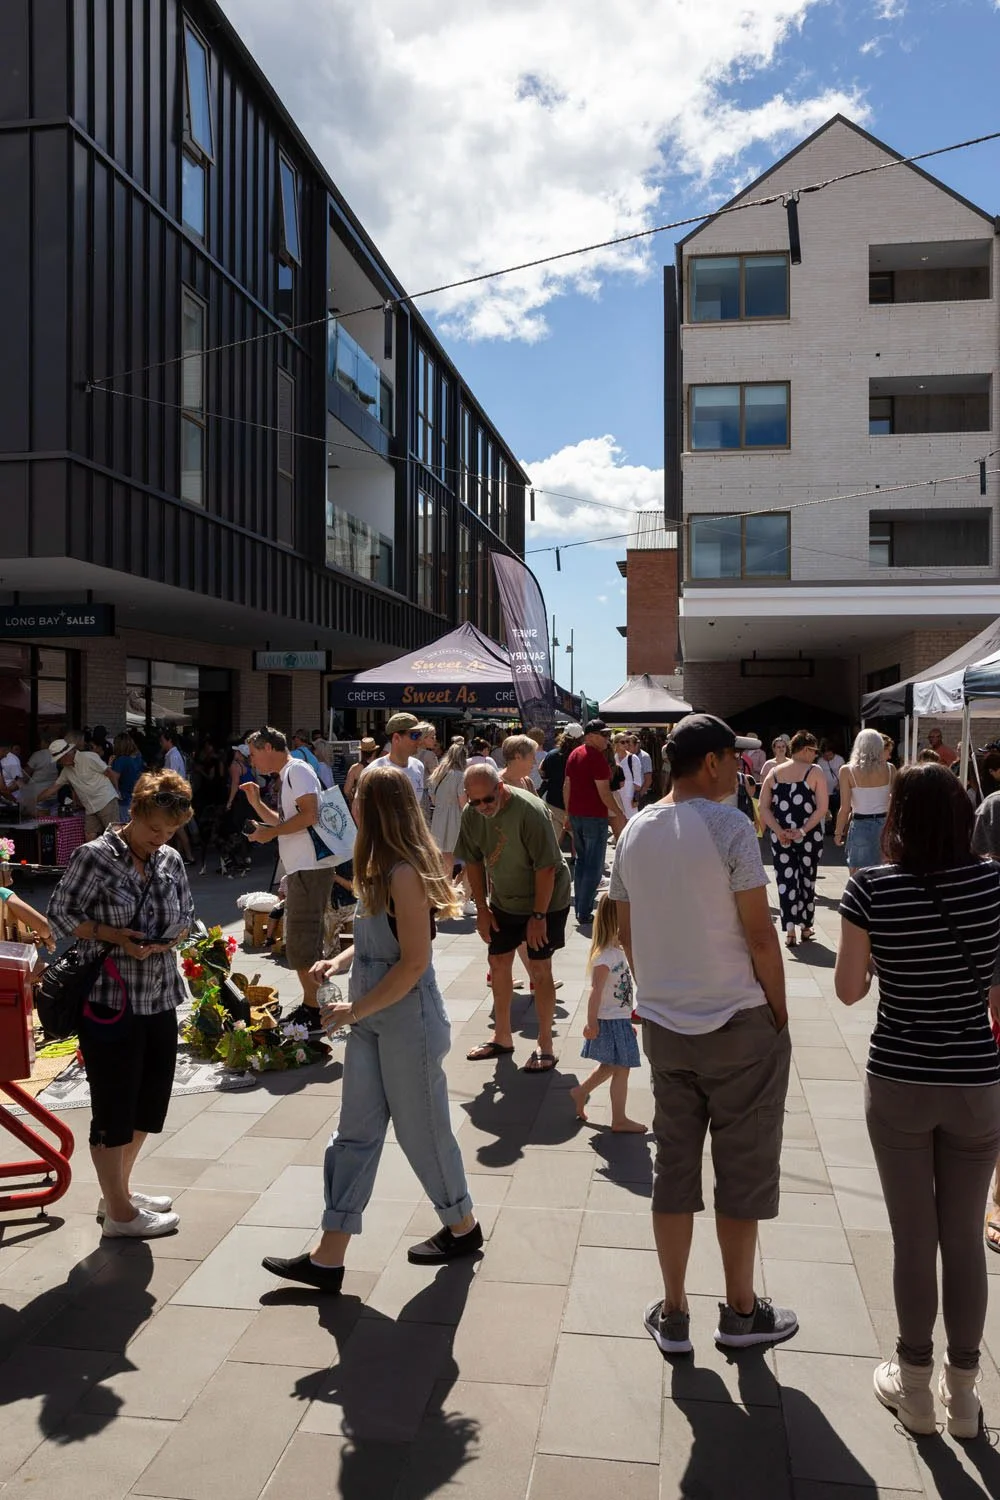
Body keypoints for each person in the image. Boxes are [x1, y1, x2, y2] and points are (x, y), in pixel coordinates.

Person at [610, 713, 796, 1355]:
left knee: (675, 1167)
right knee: (741, 1170)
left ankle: (674, 1309)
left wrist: (655, 988)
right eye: (731, 759)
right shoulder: (730, 826)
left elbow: (624, 929)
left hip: (666, 1024)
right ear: (713, 762)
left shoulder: (634, 829)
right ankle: (741, 1312)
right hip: (737, 1019)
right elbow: (760, 931)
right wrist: (779, 1008)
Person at [261, 767, 481, 1291]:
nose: (352, 804)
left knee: (421, 1132)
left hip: (407, 1022)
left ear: (380, 807)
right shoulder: (380, 865)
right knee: (354, 1133)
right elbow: (379, 940)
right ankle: (328, 1255)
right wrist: (337, 961)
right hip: (372, 1016)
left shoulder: (404, 871)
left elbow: (412, 963)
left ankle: (462, 1224)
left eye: (359, 796)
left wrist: (352, 1012)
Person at [835, 763, 1000, 1438]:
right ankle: (964, 1396)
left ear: (895, 820)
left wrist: (880, 962)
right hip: (974, 1080)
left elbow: (848, 990)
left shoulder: (870, 888)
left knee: (913, 1237)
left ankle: (914, 1386)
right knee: (962, 1236)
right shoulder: (995, 882)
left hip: (900, 1075)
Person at [46, 769, 196, 1239]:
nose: (162, 839)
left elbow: (189, 915)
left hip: (159, 996)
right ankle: (119, 1216)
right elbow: (61, 914)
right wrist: (113, 935)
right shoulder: (96, 856)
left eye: (171, 831)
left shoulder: (169, 859)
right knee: (114, 1106)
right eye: (155, 829)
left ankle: (118, 1192)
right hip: (109, 1001)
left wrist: (169, 939)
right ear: (135, 813)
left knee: (148, 1104)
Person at [458, 760, 571, 1072]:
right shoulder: (472, 814)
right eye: (474, 800)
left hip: (546, 898)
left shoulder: (529, 810)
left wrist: (538, 915)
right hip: (506, 899)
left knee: (539, 967)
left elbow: (547, 867)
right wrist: (481, 908)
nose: (482, 806)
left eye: (488, 799)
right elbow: (473, 861)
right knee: (498, 961)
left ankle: (545, 1044)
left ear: (501, 788)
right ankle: (503, 1037)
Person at [243, 726, 335, 1032]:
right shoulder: (291, 773)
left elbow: (310, 816)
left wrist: (270, 833)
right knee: (300, 943)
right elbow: (286, 823)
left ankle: (316, 1012)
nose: (252, 761)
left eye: (254, 754)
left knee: (302, 943)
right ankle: (313, 1006)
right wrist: (258, 806)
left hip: (309, 868)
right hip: (303, 868)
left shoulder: (297, 770)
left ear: (269, 747)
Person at [569, 892, 645, 1133]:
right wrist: (591, 1023)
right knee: (620, 1067)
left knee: (615, 1066)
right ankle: (618, 1118)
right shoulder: (605, 957)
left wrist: (625, 1019)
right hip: (609, 1021)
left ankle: (582, 1092)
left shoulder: (617, 952)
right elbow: (595, 991)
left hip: (618, 1019)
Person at [759, 731, 828, 948]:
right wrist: (802, 830)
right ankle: (805, 926)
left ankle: (790, 931)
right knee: (807, 880)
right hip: (808, 836)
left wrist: (779, 830)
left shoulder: (774, 772)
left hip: (781, 838)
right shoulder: (814, 771)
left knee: (786, 881)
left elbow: (763, 807)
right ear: (806, 750)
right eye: (814, 751)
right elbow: (822, 808)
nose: (815, 756)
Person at [564, 719, 624, 926]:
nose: (607, 739)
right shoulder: (596, 758)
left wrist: (568, 814)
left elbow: (567, 786)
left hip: (577, 816)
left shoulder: (574, 754)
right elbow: (604, 793)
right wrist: (619, 813)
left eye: (608, 735)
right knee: (594, 866)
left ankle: (581, 906)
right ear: (590, 736)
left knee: (581, 863)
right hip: (593, 817)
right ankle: (584, 910)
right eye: (603, 735)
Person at [835, 728, 894, 876]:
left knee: (858, 874)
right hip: (885, 824)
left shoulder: (847, 771)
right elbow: (895, 801)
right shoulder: (890, 769)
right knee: (885, 871)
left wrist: (838, 832)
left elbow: (845, 808)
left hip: (861, 824)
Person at [38, 737, 120, 840]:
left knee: (114, 835)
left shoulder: (89, 757)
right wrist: (35, 800)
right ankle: (93, 856)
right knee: (89, 836)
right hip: (90, 807)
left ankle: (121, 856)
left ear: (67, 755)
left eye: (59, 760)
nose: (59, 763)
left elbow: (110, 773)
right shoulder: (66, 771)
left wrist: (116, 791)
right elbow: (53, 788)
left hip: (106, 801)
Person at [429, 740, 468, 890]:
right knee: (452, 855)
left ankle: (442, 888)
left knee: (443, 855)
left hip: (438, 815)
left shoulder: (438, 772)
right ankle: (448, 889)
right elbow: (462, 802)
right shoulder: (460, 776)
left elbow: (432, 798)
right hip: (454, 816)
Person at [539, 724, 583, 844]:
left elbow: (544, 774)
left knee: (553, 842)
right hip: (577, 804)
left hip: (554, 802)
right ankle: (577, 860)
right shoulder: (583, 756)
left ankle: (554, 862)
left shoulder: (552, 754)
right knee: (580, 842)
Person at [369, 713, 426, 800]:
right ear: (396, 738)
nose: (420, 740)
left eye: (420, 734)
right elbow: (359, 810)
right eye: (415, 735)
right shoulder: (373, 770)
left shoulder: (418, 766)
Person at [159, 727, 194, 862]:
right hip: (178, 795)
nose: (161, 744)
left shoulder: (173, 755)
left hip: (175, 796)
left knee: (177, 828)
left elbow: (172, 777)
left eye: (162, 741)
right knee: (178, 828)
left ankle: (189, 856)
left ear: (169, 740)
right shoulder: (174, 754)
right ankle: (180, 855)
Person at [111, 733, 145, 824]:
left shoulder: (120, 760)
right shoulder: (138, 757)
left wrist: (117, 792)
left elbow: (114, 777)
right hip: (136, 794)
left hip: (124, 797)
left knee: (123, 825)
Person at [18, 744, 58, 817]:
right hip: (54, 794)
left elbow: (26, 774)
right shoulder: (59, 754)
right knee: (52, 819)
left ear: (43, 742)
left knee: (37, 821)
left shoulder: (38, 755)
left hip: (37, 794)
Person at [343, 738, 378, 813]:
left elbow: (346, 790)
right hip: (377, 806)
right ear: (375, 752)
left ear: (361, 752)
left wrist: (352, 800)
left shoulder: (355, 768)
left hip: (360, 807)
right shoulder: (381, 767)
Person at [612, 733, 641, 821]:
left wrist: (635, 799)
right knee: (618, 822)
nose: (626, 744)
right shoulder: (613, 759)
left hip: (629, 797)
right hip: (615, 796)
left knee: (631, 821)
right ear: (616, 744)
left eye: (627, 742)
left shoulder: (633, 758)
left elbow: (638, 783)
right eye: (623, 742)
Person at [817, 741, 844, 827]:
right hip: (825, 791)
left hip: (837, 790)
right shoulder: (820, 762)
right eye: (825, 755)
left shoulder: (839, 759)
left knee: (837, 810)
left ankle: (838, 827)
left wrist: (839, 785)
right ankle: (828, 827)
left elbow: (844, 775)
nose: (828, 757)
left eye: (830, 755)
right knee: (826, 811)